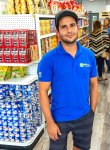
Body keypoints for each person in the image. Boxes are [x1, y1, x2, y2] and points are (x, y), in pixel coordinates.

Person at [37, 10, 98, 150]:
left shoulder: (89, 55)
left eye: (72, 25)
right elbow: (42, 91)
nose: (69, 30)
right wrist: (50, 122)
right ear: (57, 32)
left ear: (77, 27)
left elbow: (94, 84)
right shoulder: (48, 59)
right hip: (59, 119)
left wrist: (92, 112)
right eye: (64, 27)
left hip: (84, 116)